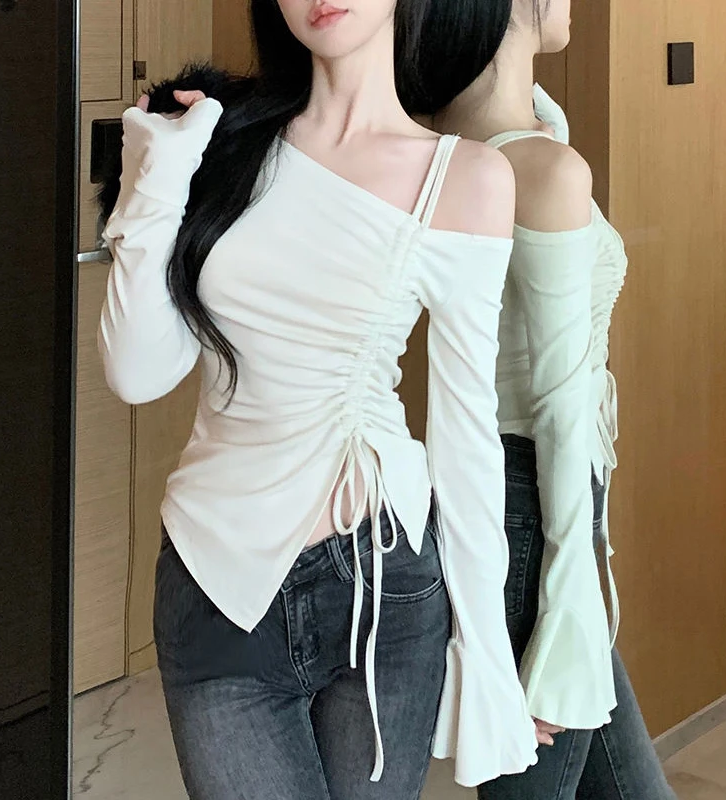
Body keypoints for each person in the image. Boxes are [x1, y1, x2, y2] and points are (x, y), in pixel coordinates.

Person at [96, 1, 539, 798]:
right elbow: (138, 371)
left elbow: (466, 438)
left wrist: (488, 658)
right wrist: (156, 174)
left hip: (384, 581)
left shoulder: (466, 177)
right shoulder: (224, 140)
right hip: (215, 575)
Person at [420, 0, 679, 797]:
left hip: (504, 502)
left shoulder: (453, 146)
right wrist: (571, 607)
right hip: (544, 513)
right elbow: (562, 412)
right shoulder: (545, 171)